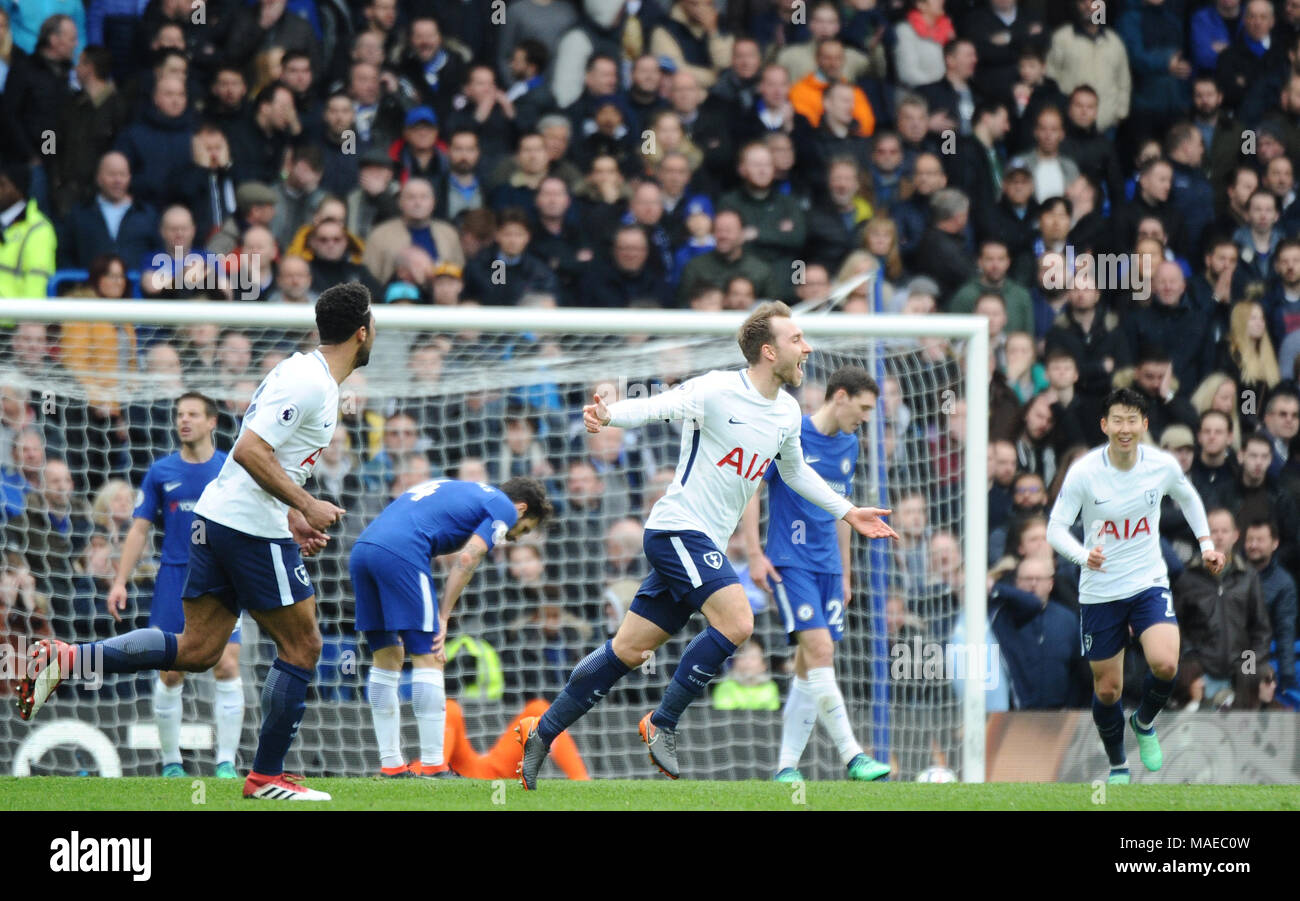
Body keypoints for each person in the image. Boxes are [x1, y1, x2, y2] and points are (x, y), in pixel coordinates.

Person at [515, 302, 900, 789]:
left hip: (700, 545)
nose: (807, 348)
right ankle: (662, 723)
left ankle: (541, 732)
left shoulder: (785, 412)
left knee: (629, 650)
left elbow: (796, 472)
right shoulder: (717, 389)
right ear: (768, 351)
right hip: (678, 529)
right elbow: (659, 406)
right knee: (739, 620)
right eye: (797, 339)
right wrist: (608, 415)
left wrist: (848, 510)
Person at [17, 282, 376, 802]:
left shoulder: (305, 374)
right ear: (362, 332)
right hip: (247, 527)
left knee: (197, 650)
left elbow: (260, 456)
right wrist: (303, 504)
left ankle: (68, 658)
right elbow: (251, 450)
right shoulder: (312, 382)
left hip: (221, 519)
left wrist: (291, 511)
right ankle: (267, 776)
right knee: (304, 646)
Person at [1046, 387, 1223, 785]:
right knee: (1108, 690)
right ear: (1105, 425)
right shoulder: (1085, 472)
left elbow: (1189, 498)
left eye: (1133, 420)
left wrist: (1207, 545)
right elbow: (1055, 529)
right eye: (1117, 420)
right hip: (1100, 591)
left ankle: (1144, 722)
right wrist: (1082, 556)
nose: (1125, 428)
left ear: (1144, 425)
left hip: (1147, 580)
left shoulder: (1160, 466)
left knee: (1165, 663)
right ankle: (1117, 764)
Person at [741, 365, 890, 782]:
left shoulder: (850, 445)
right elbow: (753, 489)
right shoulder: (790, 433)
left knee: (810, 667)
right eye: (862, 408)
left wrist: (845, 573)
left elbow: (843, 511)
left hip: (828, 567)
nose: (864, 418)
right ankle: (853, 755)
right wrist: (754, 553)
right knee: (821, 651)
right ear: (839, 396)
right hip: (790, 561)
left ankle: (786, 767)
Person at [349, 476, 551, 778]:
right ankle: (433, 764)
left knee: (387, 657)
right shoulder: (503, 507)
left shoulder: (459, 486)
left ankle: (391, 765)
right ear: (521, 509)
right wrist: (443, 615)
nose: (518, 536)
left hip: (363, 550)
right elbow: (468, 557)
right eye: (525, 529)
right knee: (429, 655)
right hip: (401, 552)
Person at [105, 392, 243, 779]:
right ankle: (171, 763)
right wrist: (120, 581)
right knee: (170, 671)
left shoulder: (230, 470)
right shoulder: (161, 472)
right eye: (180, 414)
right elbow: (139, 529)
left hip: (222, 579)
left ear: (212, 422)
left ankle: (226, 763)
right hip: (173, 581)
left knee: (227, 665)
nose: (184, 421)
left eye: (193, 414)